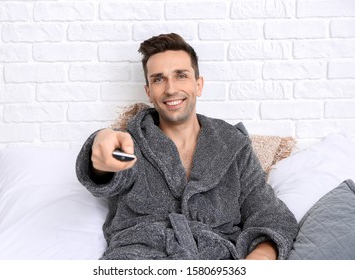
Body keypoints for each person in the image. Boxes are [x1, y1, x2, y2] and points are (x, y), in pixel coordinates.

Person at [75, 33, 298, 260]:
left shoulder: (233, 144)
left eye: (181, 75)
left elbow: (269, 214)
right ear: (149, 92)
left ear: (198, 85)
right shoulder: (131, 141)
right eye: (159, 79)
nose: (171, 89)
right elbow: (107, 168)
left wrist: (261, 257)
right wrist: (99, 149)